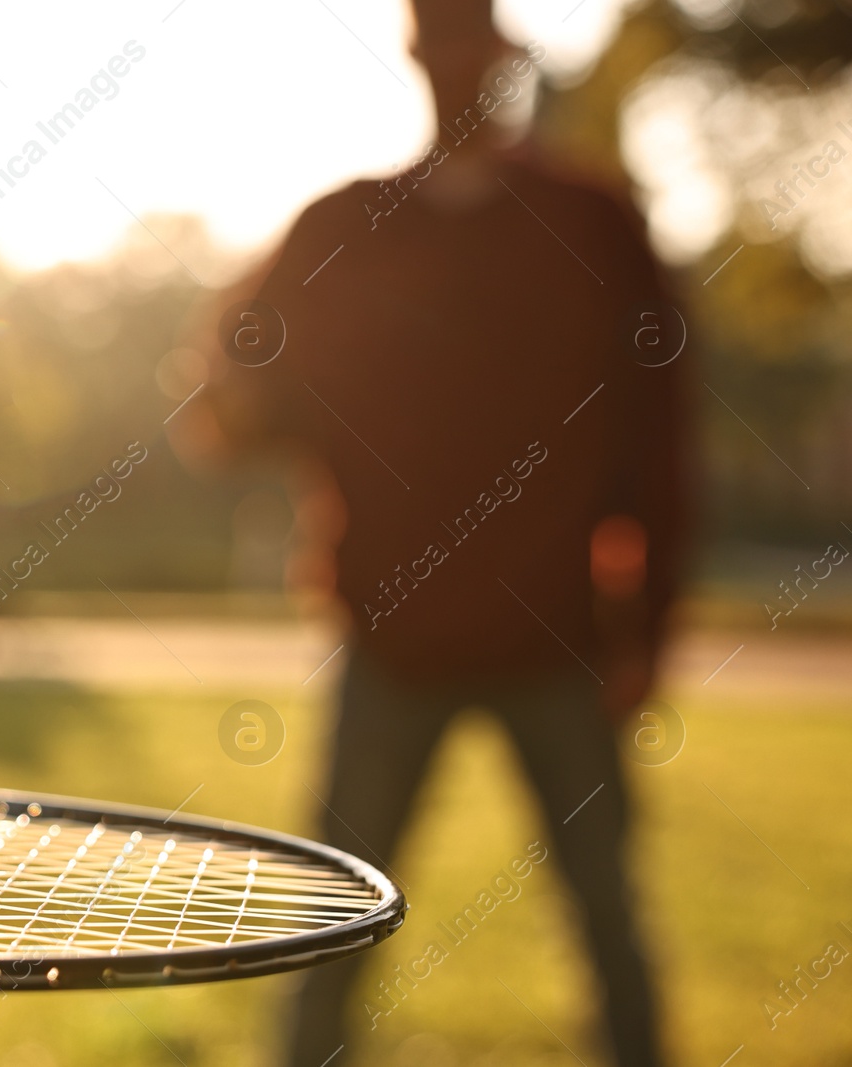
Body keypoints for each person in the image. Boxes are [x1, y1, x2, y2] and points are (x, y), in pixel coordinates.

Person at [169, 1, 691, 1064]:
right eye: (436, 47)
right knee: (334, 922)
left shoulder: (592, 226)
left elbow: (660, 437)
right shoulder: (342, 225)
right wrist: (232, 384)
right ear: (415, 60)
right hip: (392, 633)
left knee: (607, 915)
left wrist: (651, 622)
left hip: (557, 637)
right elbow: (245, 407)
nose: (456, 70)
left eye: (471, 49)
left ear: (498, 60)